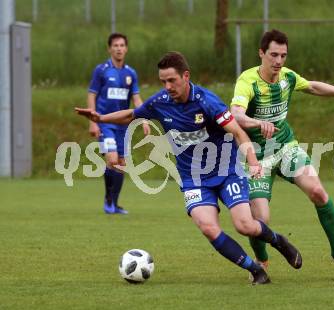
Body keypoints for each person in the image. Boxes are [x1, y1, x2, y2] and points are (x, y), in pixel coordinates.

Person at [76, 51, 302, 285]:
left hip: (226, 171)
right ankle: (256, 270)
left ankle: (278, 241)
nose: (167, 86)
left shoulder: (207, 102)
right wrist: (100, 119)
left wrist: (253, 162)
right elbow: (132, 115)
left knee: (244, 225)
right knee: (208, 228)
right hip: (193, 178)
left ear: (186, 76)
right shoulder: (159, 102)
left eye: (171, 80)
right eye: (163, 81)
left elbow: (237, 132)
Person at [230, 29, 334, 274]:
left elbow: (313, 87)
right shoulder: (248, 81)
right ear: (261, 53)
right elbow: (235, 114)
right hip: (256, 157)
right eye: (273, 55)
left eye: (283, 56)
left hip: (285, 147)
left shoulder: (287, 77)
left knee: (318, 191)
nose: (278, 61)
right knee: (260, 218)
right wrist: (256, 123)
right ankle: (262, 260)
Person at [87, 33, 148, 214]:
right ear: (109, 48)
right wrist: (93, 122)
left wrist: (144, 118)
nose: (119, 48)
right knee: (112, 159)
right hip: (105, 123)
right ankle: (108, 200)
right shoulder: (101, 70)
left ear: (126, 49)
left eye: (122, 45)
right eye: (115, 45)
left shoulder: (131, 73)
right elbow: (92, 95)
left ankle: (114, 203)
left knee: (122, 164)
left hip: (124, 124)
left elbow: (136, 99)